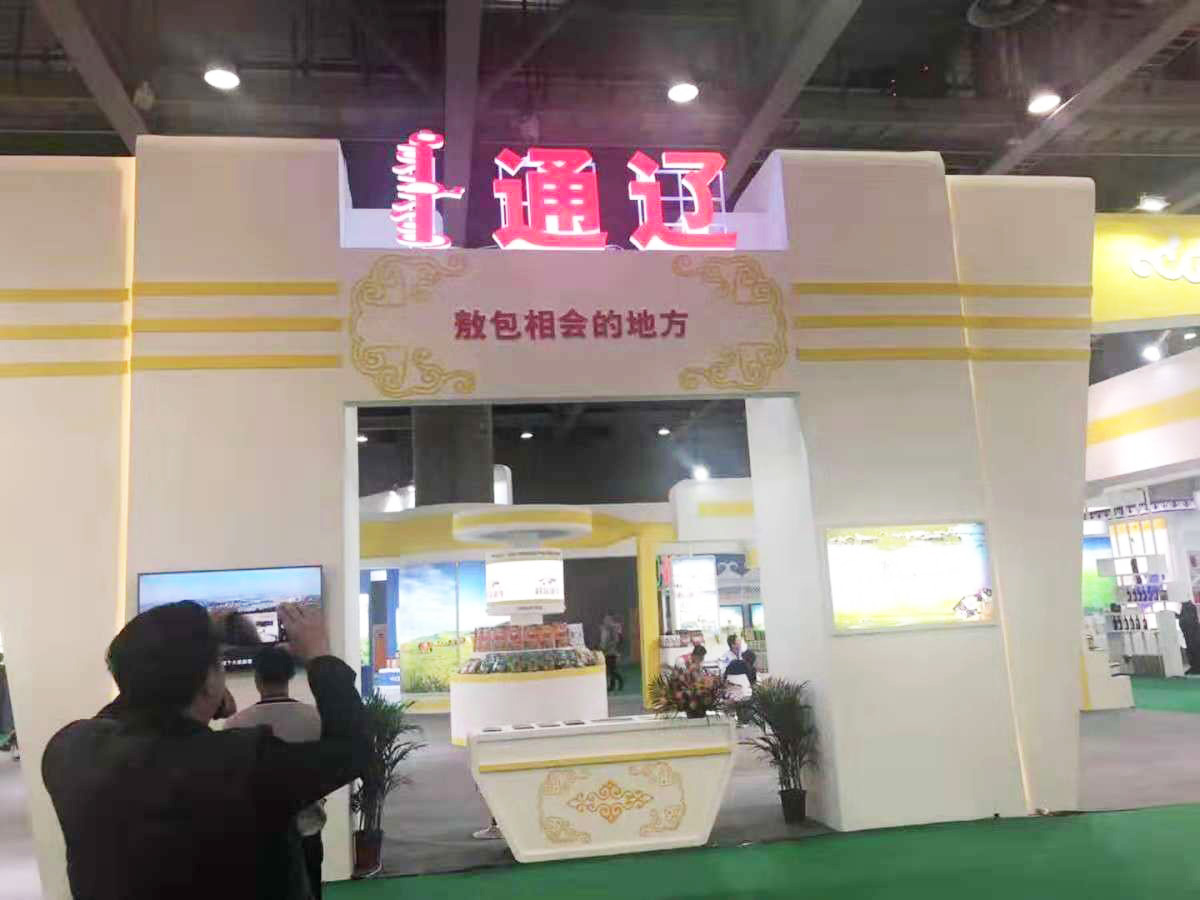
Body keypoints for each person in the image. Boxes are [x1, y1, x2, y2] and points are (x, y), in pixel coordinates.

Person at [42, 601, 367, 900]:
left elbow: (129, 716)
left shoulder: (68, 750)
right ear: (210, 682)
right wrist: (321, 658)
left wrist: (193, 700)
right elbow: (352, 750)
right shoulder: (243, 764)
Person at [225, 647, 327, 898]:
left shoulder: (235, 724)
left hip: (257, 837)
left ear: (257, 678)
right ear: (291, 675)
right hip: (307, 829)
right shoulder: (315, 718)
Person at [724, 649, 758, 725]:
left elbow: (725, 679)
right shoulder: (752, 669)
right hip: (743, 695)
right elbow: (752, 685)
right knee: (752, 698)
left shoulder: (733, 664)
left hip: (730, 694)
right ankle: (744, 720)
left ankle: (741, 718)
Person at [599, 613, 624, 693]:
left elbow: (616, 641)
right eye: (605, 619)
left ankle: (618, 683)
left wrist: (608, 646)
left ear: (610, 620)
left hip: (612, 653)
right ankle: (612, 686)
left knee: (612, 671)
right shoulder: (605, 629)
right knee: (610, 671)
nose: (605, 621)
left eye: (607, 619)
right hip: (607, 652)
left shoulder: (613, 629)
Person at [1181, 601, 1200, 675]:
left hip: (1193, 634)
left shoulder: (1190, 607)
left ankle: (1196, 667)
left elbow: (1190, 621)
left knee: (1195, 650)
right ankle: (1195, 667)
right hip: (1189, 634)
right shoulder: (1185, 608)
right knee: (1191, 651)